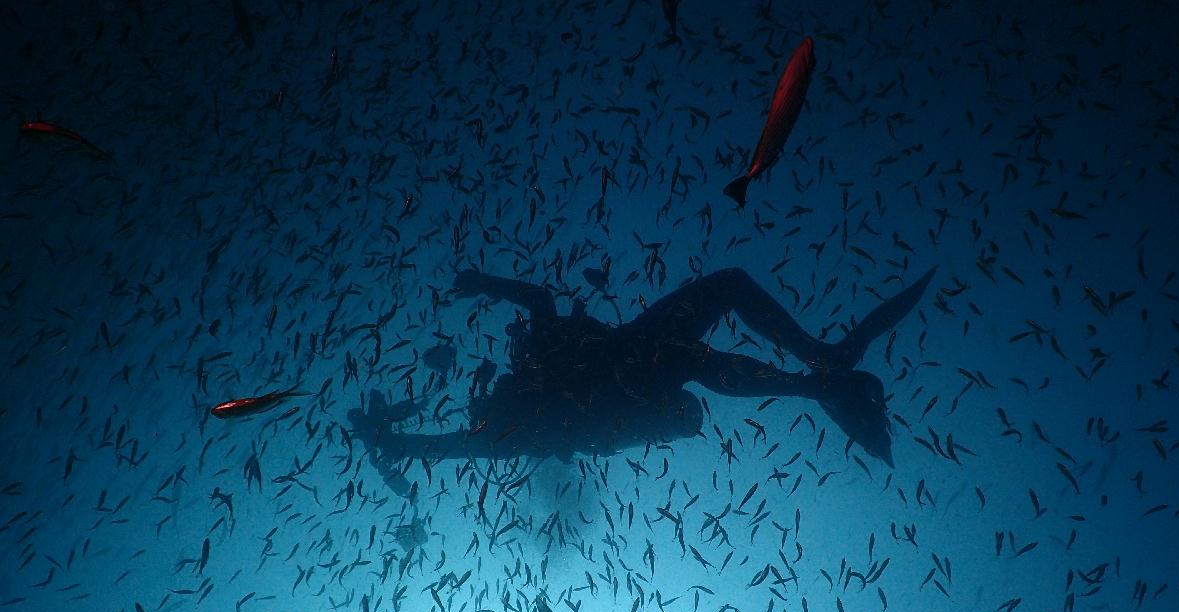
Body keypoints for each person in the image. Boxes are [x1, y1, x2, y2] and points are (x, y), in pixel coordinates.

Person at [347, 265, 934, 482]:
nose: (501, 382)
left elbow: (539, 300)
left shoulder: (531, 365)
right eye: (496, 395)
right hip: (630, 400)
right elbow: (447, 447)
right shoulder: (514, 433)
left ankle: (818, 363)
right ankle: (816, 381)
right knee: (674, 357)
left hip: (632, 354)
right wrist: (393, 441)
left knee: (725, 288)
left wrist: (482, 283)